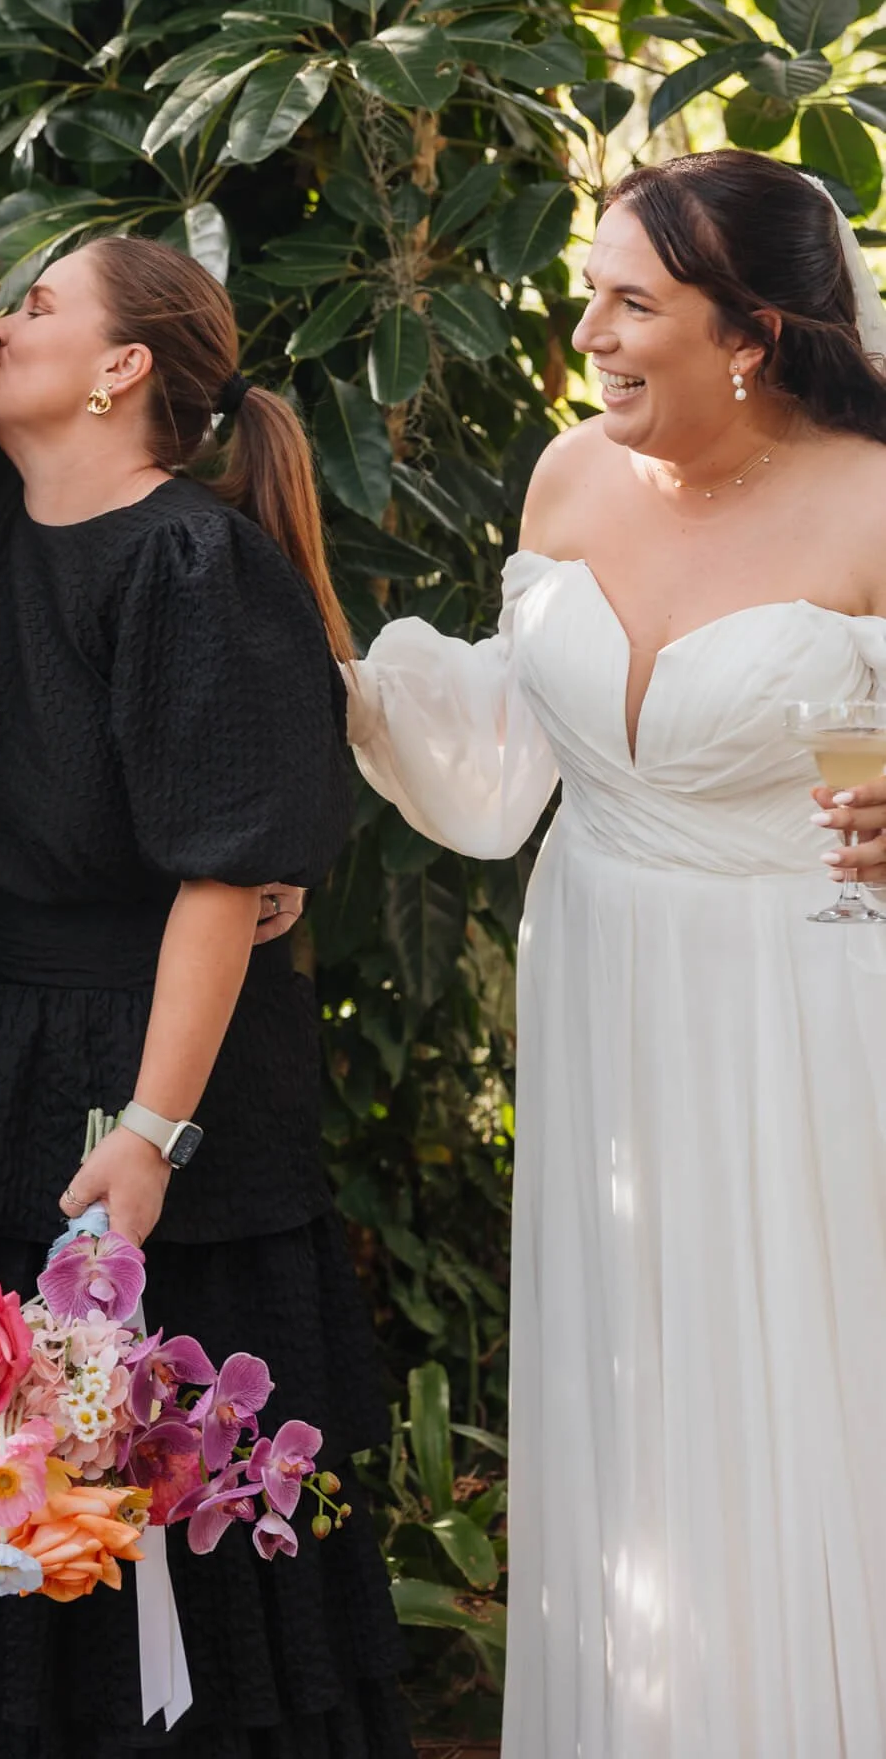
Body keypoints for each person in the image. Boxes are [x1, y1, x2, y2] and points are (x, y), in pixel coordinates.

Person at [0, 233, 411, 1759]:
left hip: (166, 1096)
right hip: (6, 1078)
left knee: (189, 1532)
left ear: (119, 370)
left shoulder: (196, 559)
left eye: (27, 308)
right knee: (34, 1538)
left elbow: (222, 883)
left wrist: (153, 1133)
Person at [345, 147, 886, 1759]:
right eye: (591, 293)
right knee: (643, 1412)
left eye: (629, 301)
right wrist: (331, 674)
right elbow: (513, 758)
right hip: (609, 1002)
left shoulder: (875, 497)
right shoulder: (571, 479)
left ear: (754, 334)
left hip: (812, 1009)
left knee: (813, 1407)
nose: (588, 331)